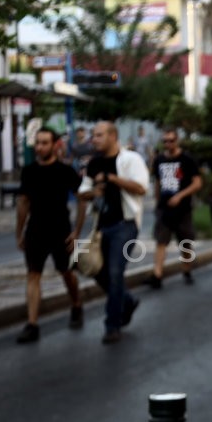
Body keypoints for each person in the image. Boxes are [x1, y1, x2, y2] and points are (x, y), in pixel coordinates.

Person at [75, 121, 149, 345]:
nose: (94, 139)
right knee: (96, 269)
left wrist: (113, 179)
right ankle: (126, 301)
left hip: (125, 224)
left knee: (116, 272)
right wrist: (93, 191)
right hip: (101, 225)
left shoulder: (131, 160)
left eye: (98, 135)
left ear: (112, 136)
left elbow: (141, 188)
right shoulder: (95, 163)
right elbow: (83, 192)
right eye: (93, 135)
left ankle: (112, 325)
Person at [15, 128, 84, 343]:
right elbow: (23, 202)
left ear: (55, 145)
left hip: (60, 230)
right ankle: (32, 324)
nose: (40, 147)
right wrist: (19, 231)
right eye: (37, 143)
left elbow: (82, 199)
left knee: (66, 273)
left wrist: (77, 232)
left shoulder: (65, 171)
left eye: (44, 143)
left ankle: (76, 304)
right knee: (33, 275)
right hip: (35, 230)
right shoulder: (29, 171)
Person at [146, 128, 202, 289]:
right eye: (165, 141)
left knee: (185, 242)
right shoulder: (159, 160)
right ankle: (157, 275)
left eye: (171, 140)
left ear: (177, 141)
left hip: (183, 208)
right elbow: (157, 182)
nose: (168, 144)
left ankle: (186, 270)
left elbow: (197, 183)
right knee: (161, 241)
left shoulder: (187, 159)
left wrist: (180, 196)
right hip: (164, 208)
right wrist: (157, 202)